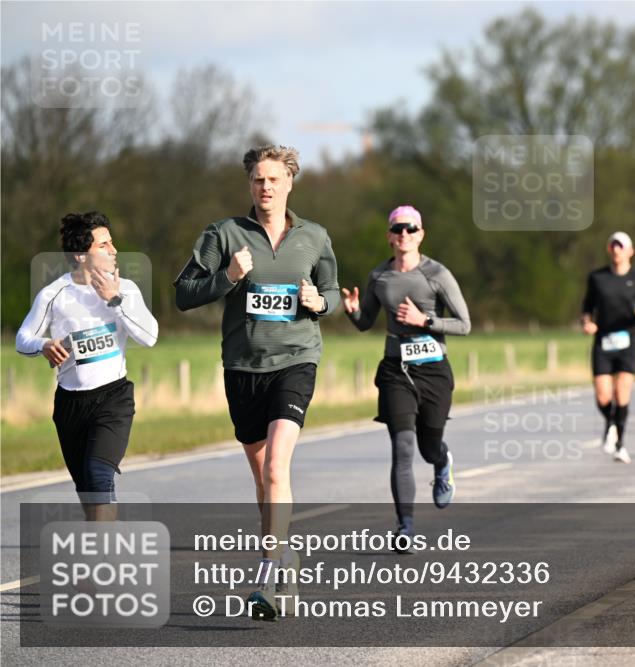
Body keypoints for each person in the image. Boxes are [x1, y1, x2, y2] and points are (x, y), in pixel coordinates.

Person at [174, 145, 340, 621]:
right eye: (257, 180)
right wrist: (227, 276)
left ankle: (269, 572)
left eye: (273, 179)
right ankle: (284, 555)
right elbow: (184, 294)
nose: (265, 187)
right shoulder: (224, 234)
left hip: (296, 360)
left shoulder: (315, 237)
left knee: (275, 470)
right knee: (261, 474)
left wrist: (319, 302)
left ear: (290, 182)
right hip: (243, 366)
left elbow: (330, 291)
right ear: (250, 185)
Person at [341, 205, 470, 551]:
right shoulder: (379, 277)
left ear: (421, 234)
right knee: (402, 447)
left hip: (433, 371)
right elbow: (366, 321)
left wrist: (424, 321)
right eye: (398, 229)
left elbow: (464, 324)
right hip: (396, 370)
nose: (404, 235)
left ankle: (442, 462)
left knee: (428, 448)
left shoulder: (437, 274)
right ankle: (405, 527)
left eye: (411, 229)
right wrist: (353, 312)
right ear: (389, 236)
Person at [16, 211, 158, 521]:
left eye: (112, 243)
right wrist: (43, 345)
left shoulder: (127, 289)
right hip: (71, 404)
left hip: (114, 398)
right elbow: (22, 338)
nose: (114, 250)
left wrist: (114, 299)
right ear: (81, 255)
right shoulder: (55, 295)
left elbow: (149, 337)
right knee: (87, 489)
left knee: (98, 475)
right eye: (104, 245)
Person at [581, 232, 635, 463]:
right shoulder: (597, 278)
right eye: (613, 246)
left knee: (622, 391)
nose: (616, 250)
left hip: (628, 339)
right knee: (603, 394)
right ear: (608, 249)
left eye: (621, 246)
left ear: (630, 251)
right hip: (603, 339)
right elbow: (587, 307)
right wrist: (587, 322)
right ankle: (611, 423)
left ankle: (620, 444)